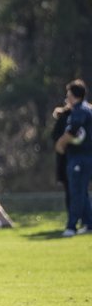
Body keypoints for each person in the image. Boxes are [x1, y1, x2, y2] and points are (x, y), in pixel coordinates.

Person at [54, 79, 92, 237]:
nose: (67, 97)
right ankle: (89, 223)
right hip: (80, 157)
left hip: (80, 158)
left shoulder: (80, 110)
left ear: (74, 95)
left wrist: (60, 144)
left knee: (76, 192)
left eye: (68, 94)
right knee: (82, 193)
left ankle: (71, 226)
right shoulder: (83, 109)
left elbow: (72, 131)